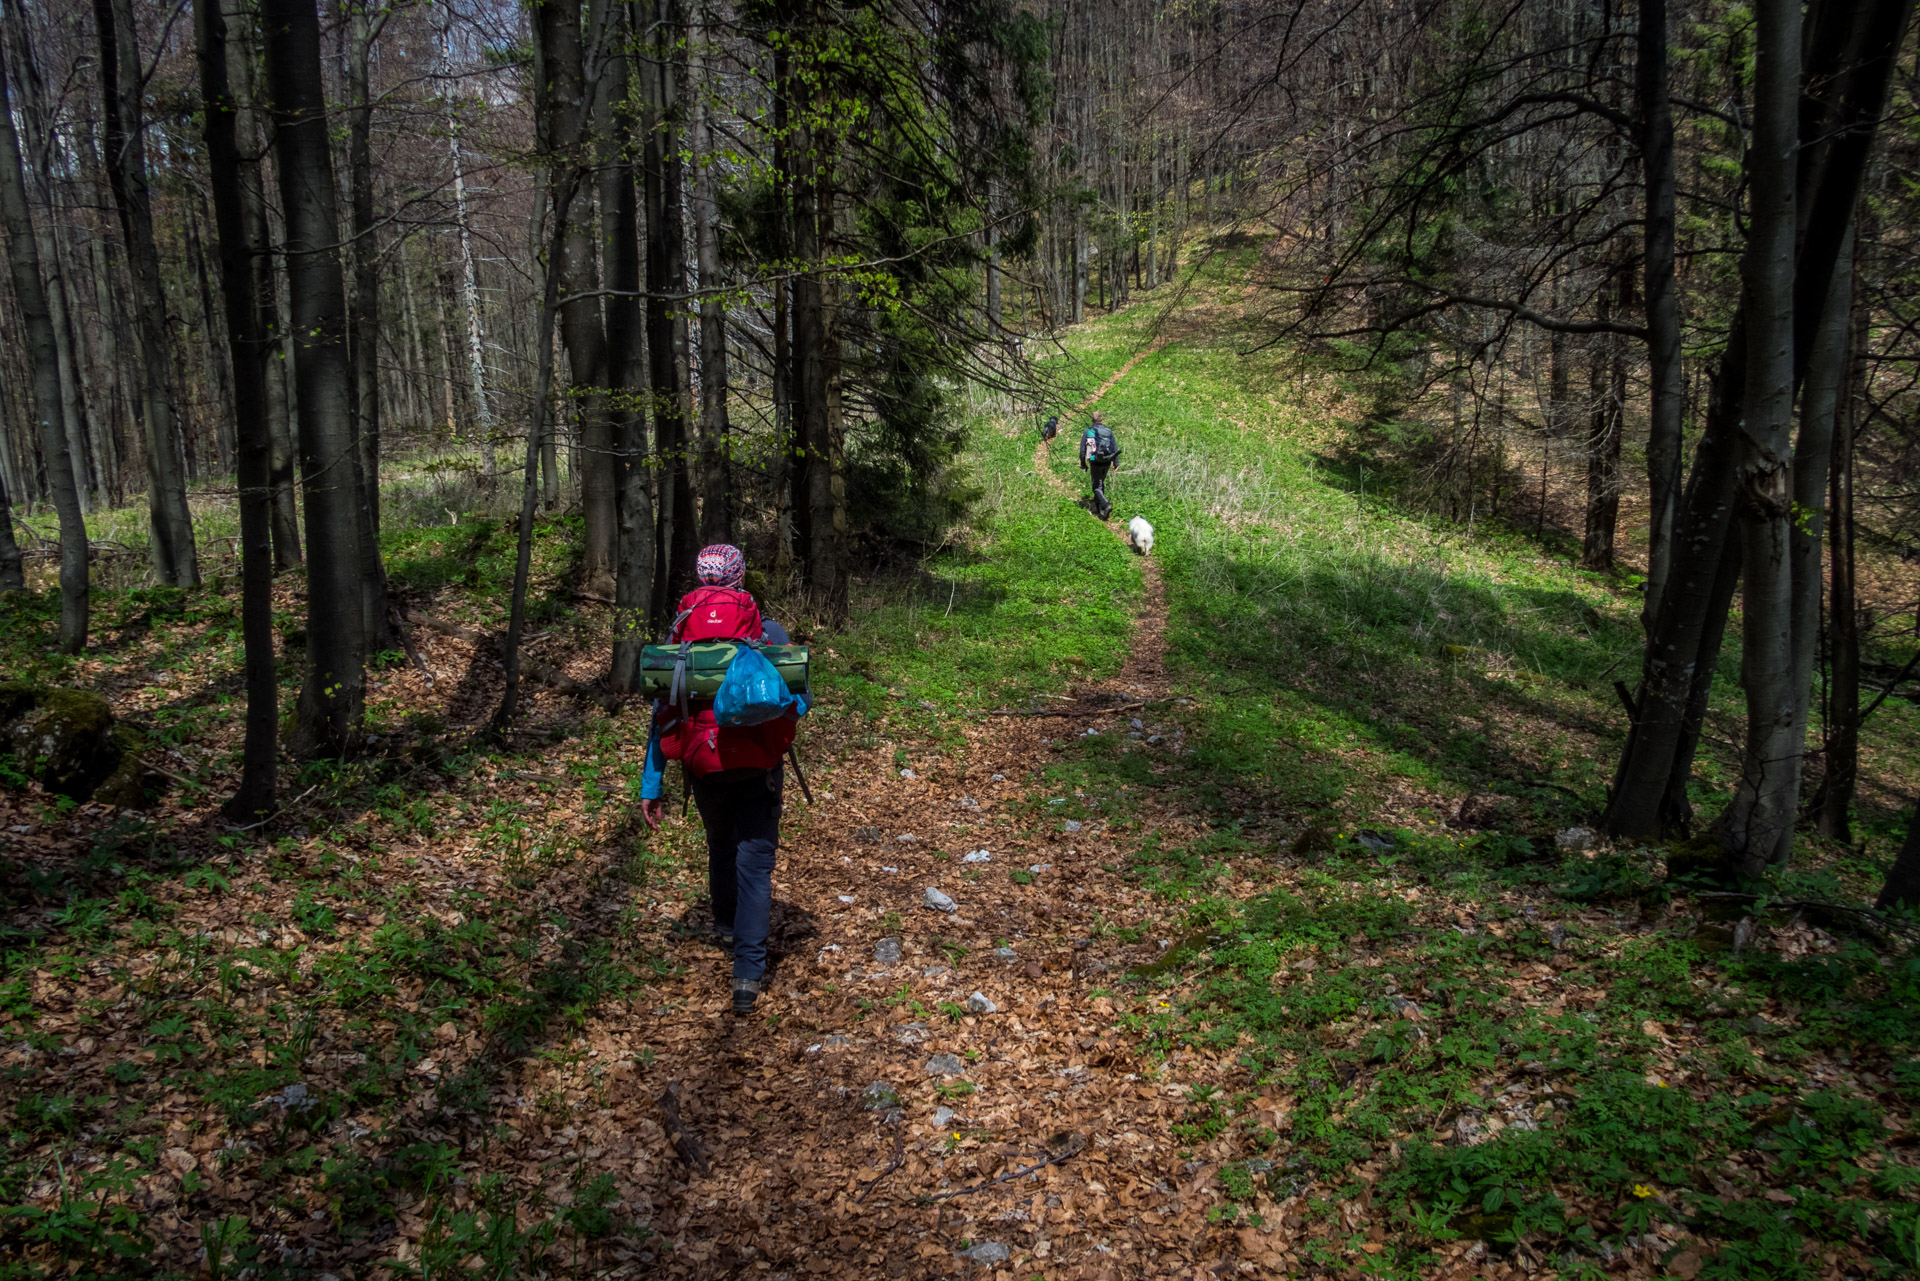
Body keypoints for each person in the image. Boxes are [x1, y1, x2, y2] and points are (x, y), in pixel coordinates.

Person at [639, 544, 804, 1016]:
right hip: (758, 766)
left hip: (701, 766)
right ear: (740, 578)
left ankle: (726, 926)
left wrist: (652, 785)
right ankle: (747, 976)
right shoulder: (768, 634)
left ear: (701, 579)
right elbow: (800, 701)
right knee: (755, 864)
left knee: (720, 845)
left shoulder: (678, 642)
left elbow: (662, 715)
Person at [1079, 410, 1121, 519]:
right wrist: (1116, 462)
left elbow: (1082, 451)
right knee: (1100, 482)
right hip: (1107, 460)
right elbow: (1114, 447)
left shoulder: (1088, 431)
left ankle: (1106, 505)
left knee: (1096, 487)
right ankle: (1099, 509)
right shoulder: (1108, 431)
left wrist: (1083, 463)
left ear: (1092, 420)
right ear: (1101, 419)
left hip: (1095, 461)